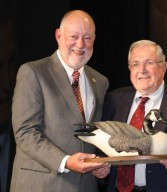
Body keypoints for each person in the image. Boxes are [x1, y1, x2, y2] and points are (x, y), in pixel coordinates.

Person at [10, 10, 110, 192]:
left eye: (87, 38)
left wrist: (102, 162)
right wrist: (65, 161)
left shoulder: (100, 81)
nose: (81, 44)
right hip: (41, 185)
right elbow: (25, 132)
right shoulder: (33, 72)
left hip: (85, 186)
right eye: (74, 36)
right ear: (58, 36)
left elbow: (96, 135)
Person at [92, 40, 167, 192]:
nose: (142, 70)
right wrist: (101, 170)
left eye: (149, 63)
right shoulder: (113, 100)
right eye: (135, 64)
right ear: (129, 69)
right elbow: (103, 145)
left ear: (163, 67)